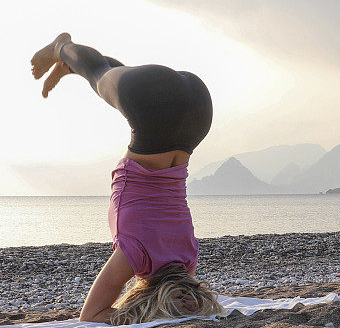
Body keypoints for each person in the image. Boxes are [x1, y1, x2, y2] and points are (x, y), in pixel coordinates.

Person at [30, 33, 225, 325]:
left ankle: (66, 54)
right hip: (190, 119)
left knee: (104, 77)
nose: (188, 301)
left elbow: (92, 314)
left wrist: (135, 317)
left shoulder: (136, 257)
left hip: (175, 112)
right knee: (102, 77)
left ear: (154, 303)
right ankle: (63, 50)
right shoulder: (186, 263)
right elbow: (101, 312)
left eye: (178, 307)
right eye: (193, 303)